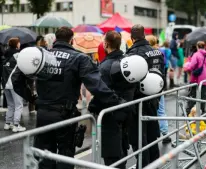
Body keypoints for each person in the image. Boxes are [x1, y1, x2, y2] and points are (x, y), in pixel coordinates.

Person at [13, 27, 129, 169]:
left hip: (43, 113)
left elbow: (16, 79)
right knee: (65, 157)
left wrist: (33, 99)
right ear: (71, 40)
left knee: (44, 156)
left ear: (55, 40)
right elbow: (97, 86)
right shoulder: (79, 58)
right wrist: (117, 101)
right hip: (65, 115)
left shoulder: (40, 55)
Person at [89, 31, 135, 168]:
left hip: (110, 114)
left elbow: (101, 92)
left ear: (106, 44)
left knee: (112, 154)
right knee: (122, 147)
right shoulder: (127, 62)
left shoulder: (104, 66)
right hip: (126, 110)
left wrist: (92, 106)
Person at [126, 24, 165, 167]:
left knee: (139, 138)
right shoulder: (157, 52)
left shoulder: (133, 54)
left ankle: (144, 165)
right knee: (152, 134)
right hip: (154, 98)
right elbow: (162, 75)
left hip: (138, 101)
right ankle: (154, 164)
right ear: (144, 35)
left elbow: (131, 81)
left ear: (132, 38)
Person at [146, 35, 171, 144]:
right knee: (161, 110)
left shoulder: (146, 54)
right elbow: (164, 67)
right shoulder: (159, 53)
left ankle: (150, 134)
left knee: (149, 110)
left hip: (148, 85)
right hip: (159, 84)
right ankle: (165, 134)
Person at [185, 41, 206, 115]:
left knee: (193, 95)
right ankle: (202, 111)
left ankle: (189, 111)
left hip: (196, 77)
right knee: (202, 95)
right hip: (205, 77)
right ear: (204, 47)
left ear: (197, 46)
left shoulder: (196, 55)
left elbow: (192, 66)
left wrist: (187, 68)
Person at [2, 38, 26, 132]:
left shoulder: (5, 54)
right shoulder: (18, 55)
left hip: (5, 83)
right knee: (19, 105)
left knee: (10, 105)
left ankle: (8, 124)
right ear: (16, 44)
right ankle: (16, 125)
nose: (20, 44)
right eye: (19, 42)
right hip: (14, 83)